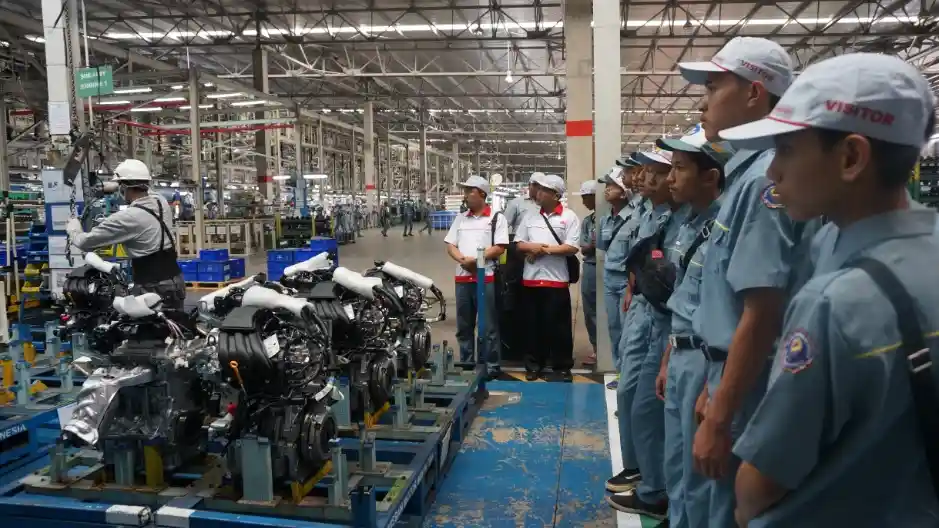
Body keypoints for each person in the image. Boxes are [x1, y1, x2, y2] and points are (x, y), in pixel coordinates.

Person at [718, 53, 939, 527]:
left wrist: (743, 503)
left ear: (851, 158)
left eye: (786, 150)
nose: (773, 172)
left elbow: (765, 477)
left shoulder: (836, 303)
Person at [676, 37, 818, 525]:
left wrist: (721, 415)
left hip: (748, 387)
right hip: (726, 374)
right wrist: (712, 383)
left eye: (714, 87)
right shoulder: (746, 174)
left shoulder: (762, 182)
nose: (704, 101)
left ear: (755, 93)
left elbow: (762, 313)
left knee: (722, 509)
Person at [608, 147, 689, 518]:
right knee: (638, 398)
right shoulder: (661, 216)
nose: (645, 178)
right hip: (652, 311)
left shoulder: (688, 220)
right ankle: (647, 474)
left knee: (653, 408)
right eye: (643, 171)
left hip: (675, 327)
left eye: (661, 171)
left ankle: (656, 486)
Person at [658, 130, 733, 528]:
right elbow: (683, 301)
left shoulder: (726, 228)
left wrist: (712, 386)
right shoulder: (689, 225)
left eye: (679, 168)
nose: (670, 178)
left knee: (699, 473)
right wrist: (668, 357)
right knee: (677, 462)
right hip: (680, 353)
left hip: (704, 362)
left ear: (711, 176)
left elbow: (730, 315)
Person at [65, 159, 186, 309]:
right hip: (175, 281)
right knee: (174, 321)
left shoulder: (128, 218)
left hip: (152, 287)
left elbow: (84, 242)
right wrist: (118, 185)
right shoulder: (160, 201)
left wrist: (74, 229)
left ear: (123, 187)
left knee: (147, 323)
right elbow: (147, 190)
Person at [515, 174, 580, 382]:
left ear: (556, 195)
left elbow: (572, 247)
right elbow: (519, 243)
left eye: (543, 190)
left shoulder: (569, 217)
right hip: (531, 279)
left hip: (557, 280)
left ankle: (562, 366)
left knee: (559, 327)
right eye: (538, 189)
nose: (538, 193)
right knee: (532, 325)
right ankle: (534, 365)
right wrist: (533, 247)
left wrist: (543, 250)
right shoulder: (530, 216)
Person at [444, 176, 509, 376]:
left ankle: (490, 366)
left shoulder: (496, 218)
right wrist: (463, 260)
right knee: (464, 326)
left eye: (469, 191)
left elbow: (500, 247)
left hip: (485, 278)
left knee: (488, 327)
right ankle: (467, 364)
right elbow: (451, 245)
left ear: (481, 193)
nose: (465, 195)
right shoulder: (460, 218)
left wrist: (477, 260)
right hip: (463, 279)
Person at [597, 164, 640, 391]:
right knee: (614, 328)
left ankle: (627, 374)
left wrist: (631, 286)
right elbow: (602, 247)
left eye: (611, 186)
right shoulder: (606, 219)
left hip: (625, 281)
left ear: (624, 192)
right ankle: (618, 370)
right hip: (609, 279)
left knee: (627, 331)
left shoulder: (634, 217)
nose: (606, 190)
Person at [575, 180, 599, 365]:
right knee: (590, 309)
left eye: (586, 197)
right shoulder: (587, 221)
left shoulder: (608, 218)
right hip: (591, 266)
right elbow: (583, 248)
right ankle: (596, 348)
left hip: (610, 268)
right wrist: (592, 245)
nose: (584, 202)